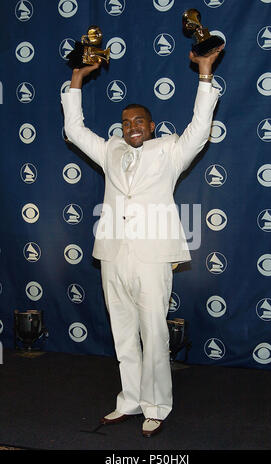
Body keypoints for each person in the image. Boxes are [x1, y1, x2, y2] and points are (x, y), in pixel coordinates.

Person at [61, 46, 224, 437]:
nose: (131, 125)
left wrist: (204, 74)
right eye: (125, 121)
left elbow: (200, 129)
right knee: (123, 331)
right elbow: (74, 130)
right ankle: (130, 399)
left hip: (152, 258)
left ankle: (156, 405)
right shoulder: (111, 150)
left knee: (154, 332)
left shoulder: (169, 150)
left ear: (151, 126)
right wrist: (78, 80)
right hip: (114, 255)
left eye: (139, 121)